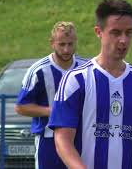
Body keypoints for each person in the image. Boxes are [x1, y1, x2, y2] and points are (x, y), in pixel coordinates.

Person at [49, 0, 132, 169]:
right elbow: (62, 141)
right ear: (98, 32)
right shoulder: (76, 80)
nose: (123, 40)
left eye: (129, 32)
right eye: (116, 33)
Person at [15, 21, 88, 169]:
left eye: (70, 44)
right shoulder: (39, 70)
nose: (66, 49)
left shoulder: (87, 68)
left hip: (81, 138)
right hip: (48, 140)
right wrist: (52, 111)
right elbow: (21, 107)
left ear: (76, 42)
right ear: (52, 43)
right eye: (61, 44)